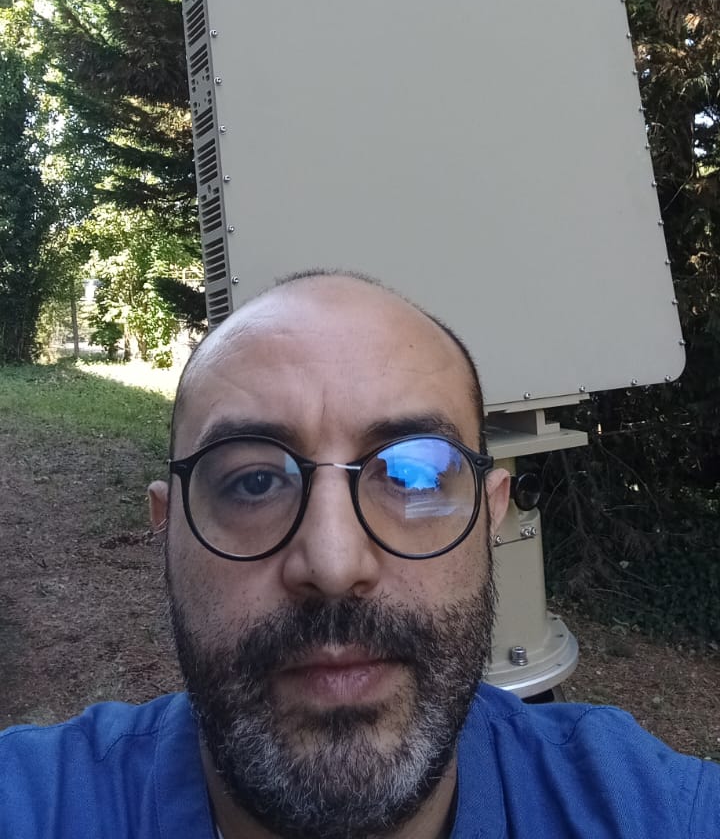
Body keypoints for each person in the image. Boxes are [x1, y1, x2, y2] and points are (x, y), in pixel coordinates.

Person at [1, 271, 718, 839]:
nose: (335, 564)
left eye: (413, 476)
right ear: (168, 529)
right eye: (254, 482)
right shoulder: (36, 805)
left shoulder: (654, 812)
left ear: (491, 516)